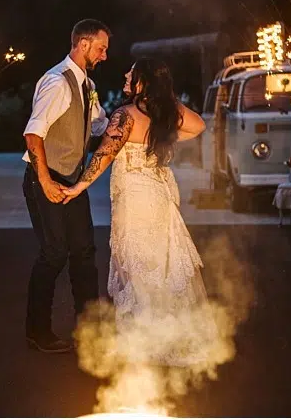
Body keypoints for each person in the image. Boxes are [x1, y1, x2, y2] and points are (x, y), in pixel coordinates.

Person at [62, 58, 215, 366]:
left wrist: (80, 186)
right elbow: (198, 125)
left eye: (132, 73)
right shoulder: (163, 115)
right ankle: (166, 335)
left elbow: (104, 155)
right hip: (158, 195)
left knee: (138, 264)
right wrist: (166, 125)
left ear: (143, 81)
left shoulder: (125, 115)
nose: (125, 74)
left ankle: (146, 340)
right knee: (162, 263)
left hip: (135, 198)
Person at [23, 19, 110, 353]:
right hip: (45, 177)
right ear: (83, 44)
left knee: (84, 252)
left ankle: (89, 331)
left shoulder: (87, 83)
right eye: (101, 48)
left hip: (73, 180)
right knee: (54, 252)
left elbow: (100, 122)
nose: (104, 56)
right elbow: (33, 133)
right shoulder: (57, 82)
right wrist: (44, 180)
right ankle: (37, 331)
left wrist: (130, 119)